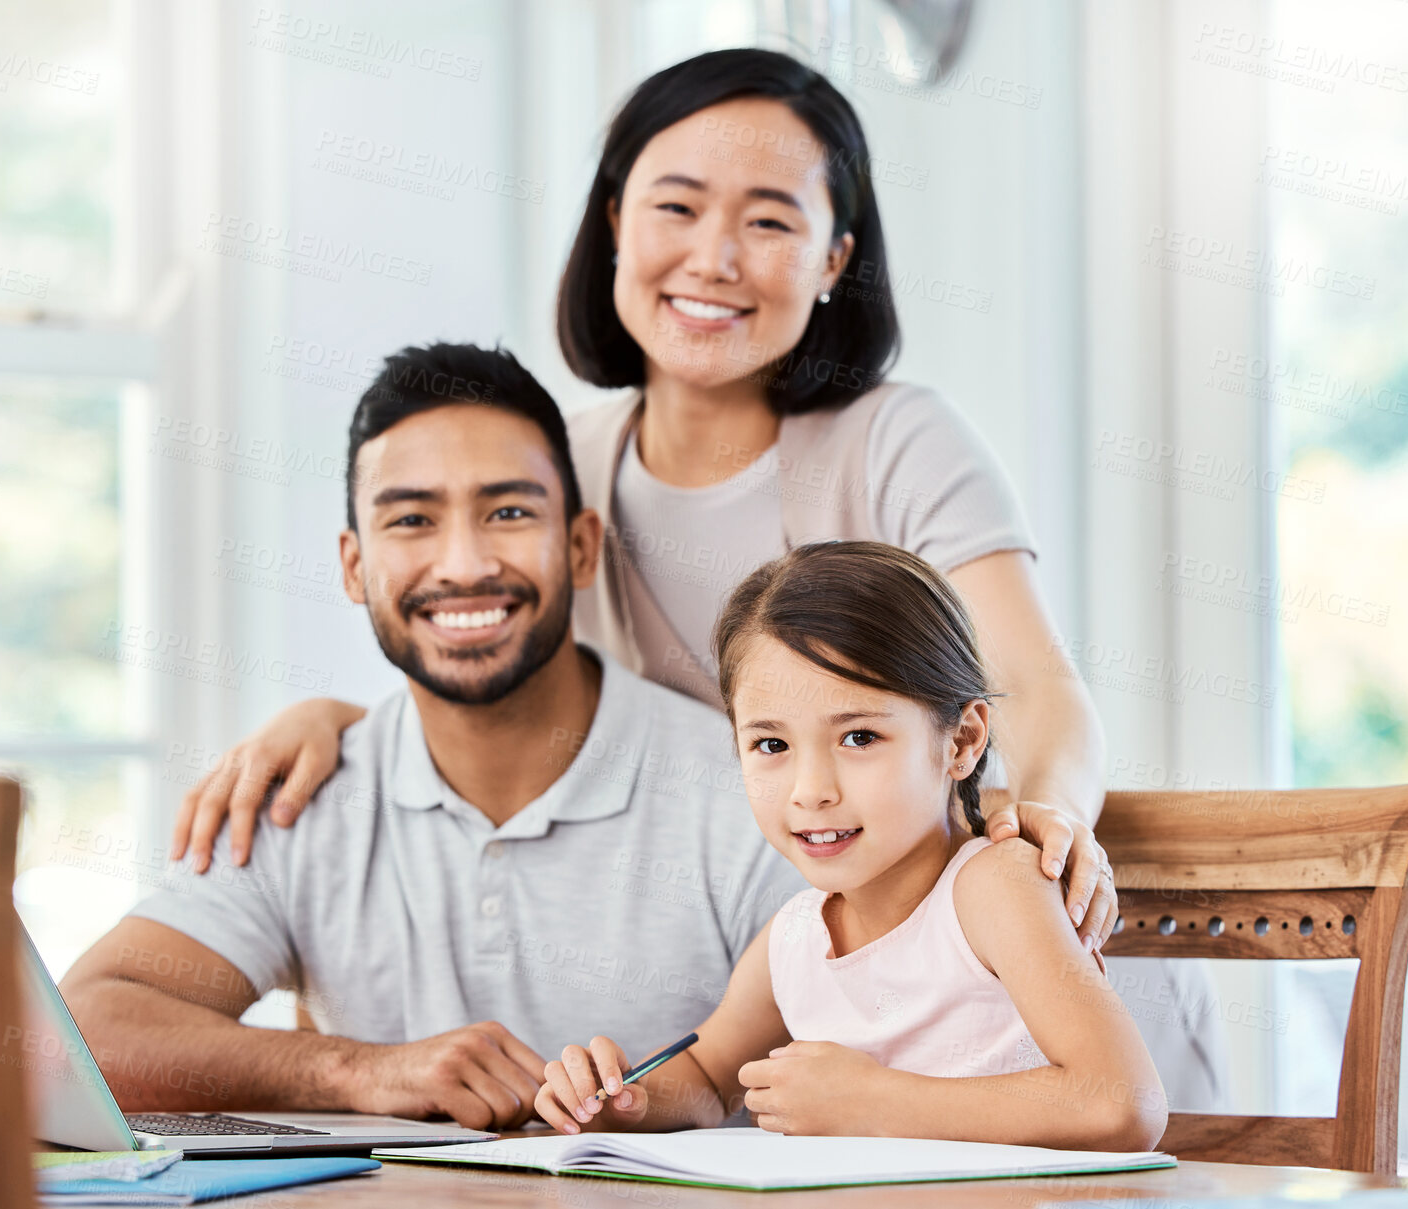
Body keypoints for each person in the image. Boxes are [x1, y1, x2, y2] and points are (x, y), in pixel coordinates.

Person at [169, 48, 1224, 1106]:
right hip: (825, 979)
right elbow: (480, 640)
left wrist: (1041, 823)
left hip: (999, 993)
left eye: (769, 221)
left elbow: (1033, 689)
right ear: (616, 224)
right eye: (677, 207)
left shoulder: (895, 441)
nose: (715, 258)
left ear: (831, 258)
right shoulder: (567, 468)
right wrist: (336, 723)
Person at [59, 343, 807, 1129]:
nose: (464, 563)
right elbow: (78, 1034)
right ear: (354, 567)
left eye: (509, 512)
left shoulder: (749, 790)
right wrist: (356, 1069)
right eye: (412, 519)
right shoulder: (304, 795)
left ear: (581, 546)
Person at [535, 542, 1165, 1148]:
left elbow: (1121, 1104)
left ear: (962, 742)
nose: (811, 791)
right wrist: (624, 1101)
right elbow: (706, 1079)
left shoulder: (995, 888)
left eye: (859, 737)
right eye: (771, 745)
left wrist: (878, 1101)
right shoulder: (795, 934)